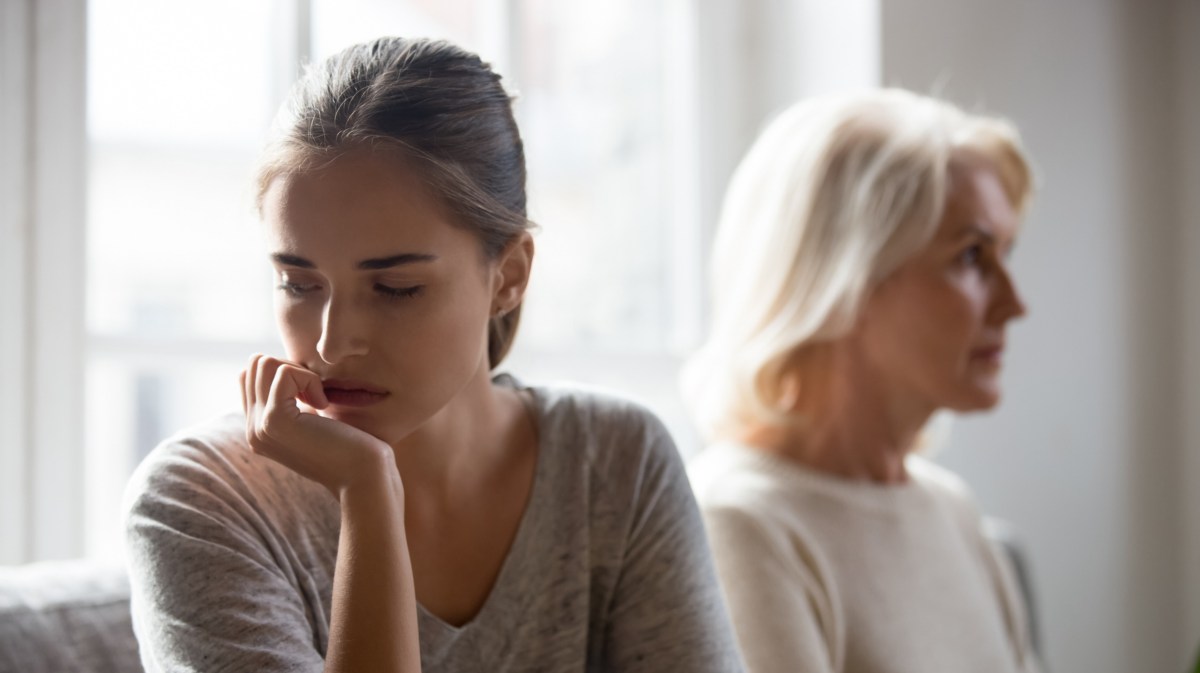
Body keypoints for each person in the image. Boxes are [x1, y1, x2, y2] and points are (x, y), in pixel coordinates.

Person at [123, 36, 744, 673]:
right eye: (298, 283)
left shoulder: (613, 462)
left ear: (508, 276)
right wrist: (368, 492)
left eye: (396, 289)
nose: (333, 345)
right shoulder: (198, 502)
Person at [684, 88, 1041, 673]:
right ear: (845, 280)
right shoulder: (737, 524)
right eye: (973, 257)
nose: (1015, 303)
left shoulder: (952, 511)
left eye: (1007, 253)